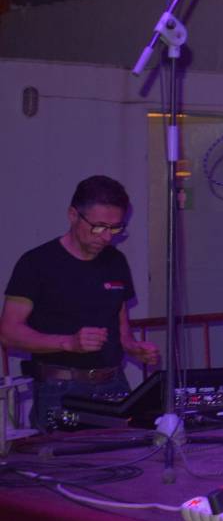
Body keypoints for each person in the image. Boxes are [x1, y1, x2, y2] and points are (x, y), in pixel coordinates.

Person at [2, 176, 161, 431]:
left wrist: (133, 347)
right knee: (65, 457)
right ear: (73, 215)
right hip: (59, 388)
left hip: (113, 383)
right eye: (98, 227)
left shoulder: (116, 261)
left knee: (127, 452)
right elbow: (9, 332)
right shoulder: (36, 263)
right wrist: (68, 343)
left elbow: (120, 325)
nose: (106, 237)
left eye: (115, 228)